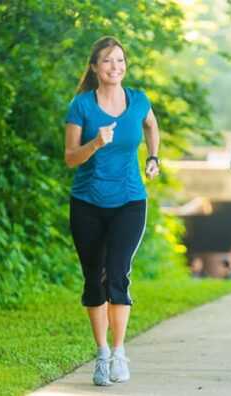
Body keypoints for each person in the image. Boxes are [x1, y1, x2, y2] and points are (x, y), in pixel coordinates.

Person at [64, 36, 160, 387]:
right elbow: (70, 157)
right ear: (94, 67)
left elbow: (151, 125)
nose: (114, 66)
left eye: (119, 60)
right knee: (94, 279)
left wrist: (153, 157)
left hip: (130, 201)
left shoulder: (138, 100)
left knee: (117, 273)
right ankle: (102, 354)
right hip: (88, 203)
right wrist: (95, 143)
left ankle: (120, 353)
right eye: (107, 61)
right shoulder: (81, 106)